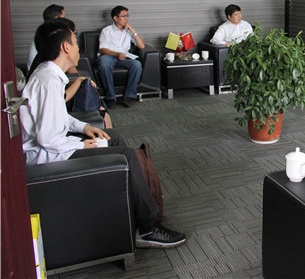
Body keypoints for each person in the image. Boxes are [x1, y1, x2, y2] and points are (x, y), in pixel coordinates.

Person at [21, 19, 186, 248]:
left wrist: (85, 128)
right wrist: (80, 145)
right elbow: (46, 138)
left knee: (112, 136)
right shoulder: (48, 80)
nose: (78, 48)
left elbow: (57, 117)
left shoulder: (49, 74)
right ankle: (148, 228)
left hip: (55, 147)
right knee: (126, 155)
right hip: (50, 157)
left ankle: (137, 200)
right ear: (65, 47)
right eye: (75, 43)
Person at [98, 5, 145, 108]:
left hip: (124, 58)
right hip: (109, 56)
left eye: (127, 16)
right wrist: (117, 54)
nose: (126, 18)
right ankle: (111, 97)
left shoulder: (128, 31)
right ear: (115, 18)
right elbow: (102, 49)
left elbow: (142, 46)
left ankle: (130, 96)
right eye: (123, 16)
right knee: (104, 64)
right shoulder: (106, 31)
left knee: (136, 64)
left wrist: (133, 32)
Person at [27, 4, 67, 72]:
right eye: (64, 18)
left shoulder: (43, 31)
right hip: (41, 72)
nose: (66, 21)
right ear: (56, 18)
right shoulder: (51, 35)